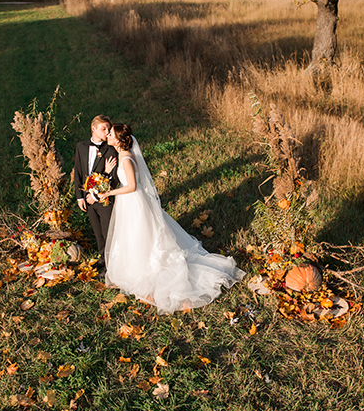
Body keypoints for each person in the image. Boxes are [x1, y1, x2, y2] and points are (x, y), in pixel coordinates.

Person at [98, 124, 244, 314]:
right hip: (130, 202)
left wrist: (109, 192)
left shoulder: (126, 158)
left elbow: (132, 185)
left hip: (134, 201)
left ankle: (146, 271)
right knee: (132, 236)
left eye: (110, 134)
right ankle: (134, 268)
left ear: (117, 140)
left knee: (140, 235)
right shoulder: (121, 154)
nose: (107, 135)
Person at [73, 115, 119, 268]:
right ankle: (102, 258)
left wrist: (94, 195)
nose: (107, 132)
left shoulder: (111, 149)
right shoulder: (81, 146)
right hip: (87, 199)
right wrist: (80, 197)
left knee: (107, 233)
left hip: (104, 199)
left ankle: (110, 265)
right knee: (97, 232)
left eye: (108, 129)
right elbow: (78, 172)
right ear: (93, 129)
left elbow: (113, 178)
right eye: (103, 128)